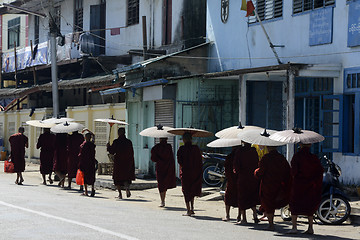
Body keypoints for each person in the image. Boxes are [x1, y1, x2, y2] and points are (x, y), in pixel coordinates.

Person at [288, 143, 323, 235]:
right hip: (310, 185)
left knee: (294, 205)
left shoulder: (297, 156)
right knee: (309, 206)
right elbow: (320, 171)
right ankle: (310, 228)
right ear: (310, 145)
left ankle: (294, 227)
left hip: (298, 185)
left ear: (300, 145)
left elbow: (293, 171)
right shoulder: (313, 158)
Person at [254, 146, 291, 230]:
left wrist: (256, 172)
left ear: (267, 148)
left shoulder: (266, 158)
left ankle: (271, 224)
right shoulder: (281, 158)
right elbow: (287, 171)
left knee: (268, 203)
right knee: (273, 202)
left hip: (268, 184)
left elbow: (260, 172)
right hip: (279, 184)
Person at [233, 142, 260, 224]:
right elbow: (257, 163)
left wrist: (236, 172)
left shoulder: (240, 151)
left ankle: (243, 219)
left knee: (242, 198)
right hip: (253, 178)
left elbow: (236, 165)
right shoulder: (253, 151)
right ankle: (255, 216)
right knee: (252, 197)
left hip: (243, 177)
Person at [177, 132, 202, 216]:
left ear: (184, 140)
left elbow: (179, 161)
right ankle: (192, 208)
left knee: (186, 191)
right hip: (195, 172)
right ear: (191, 139)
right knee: (193, 189)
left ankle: (188, 210)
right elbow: (200, 161)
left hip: (186, 173)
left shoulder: (181, 149)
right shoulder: (196, 148)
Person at [107, 128, 135, 199]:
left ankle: (120, 194)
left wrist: (108, 147)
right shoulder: (129, 142)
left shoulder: (116, 141)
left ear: (119, 133)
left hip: (119, 162)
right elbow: (132, 153)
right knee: (126, 177)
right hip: (127, 162)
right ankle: (127, 188)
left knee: (117, 179)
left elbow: (112, 151)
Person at [151, 137, 177, 207]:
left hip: (160, 167)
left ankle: (162, 201)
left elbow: (153, 158)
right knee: (165, 183)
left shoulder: (156, 147)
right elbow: (171, 158)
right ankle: (163, 200)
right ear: (167, 139)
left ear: (159, 139)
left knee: (161, 183)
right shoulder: (169, 147)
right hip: (168, 167)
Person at [222, 145, 240, 221]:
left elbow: (226, 168)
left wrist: (228, 177)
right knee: (240, 197)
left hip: (231, 180)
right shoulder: (240, 156)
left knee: (228, 197)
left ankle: (227, 215)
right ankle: (239, 216)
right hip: (239, 180)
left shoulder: (230, 156)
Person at [78, 132, 97, 196]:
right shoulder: (92, 144)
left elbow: (80, 155)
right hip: (91, 162)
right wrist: (88, 131)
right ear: (90, 138)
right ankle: (92, 189)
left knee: (85, 177)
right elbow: (94, 137)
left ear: (85, 137)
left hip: (85, 163)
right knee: (92, 176)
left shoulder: (83, 145)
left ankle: (86, 191)